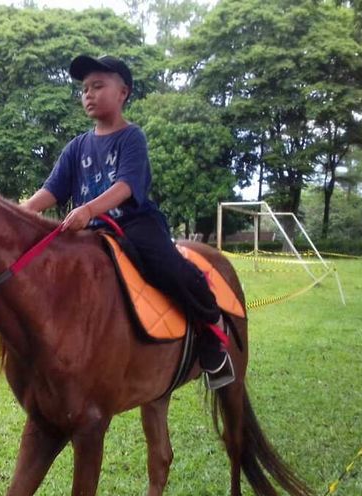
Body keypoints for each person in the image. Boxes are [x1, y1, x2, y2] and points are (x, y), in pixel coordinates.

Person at [21, 54, 234, 390]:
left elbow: (125, 186)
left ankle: (211, 326)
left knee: (169, 268)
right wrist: (19, 213)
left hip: (134, 224)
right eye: (85, 88)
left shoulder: (131, 138)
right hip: (90, 232)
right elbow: (50, 190)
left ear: (123, 92)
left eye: (98, 86)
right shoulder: (76, 147)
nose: (88, 94)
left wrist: (89, 210)